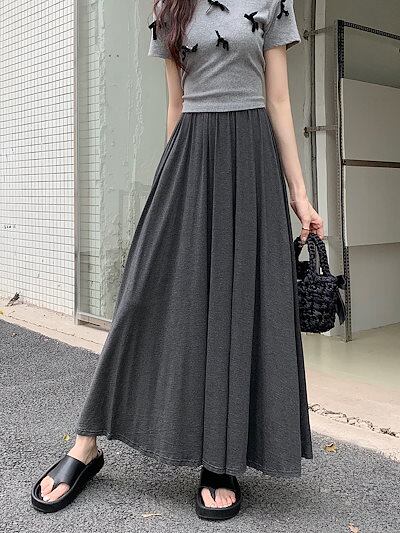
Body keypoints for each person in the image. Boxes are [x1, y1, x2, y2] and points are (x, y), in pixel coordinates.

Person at [31, 0, 324, 520]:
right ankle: (86, 441)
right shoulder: (170, 7)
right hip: (189, 157)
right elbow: (176, 104)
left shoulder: (272, 2)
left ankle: (220, 457)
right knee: (142, 298)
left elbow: (278, 100)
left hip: (251, 161)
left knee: (234, 305)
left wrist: (299, 195)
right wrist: (170, 185)